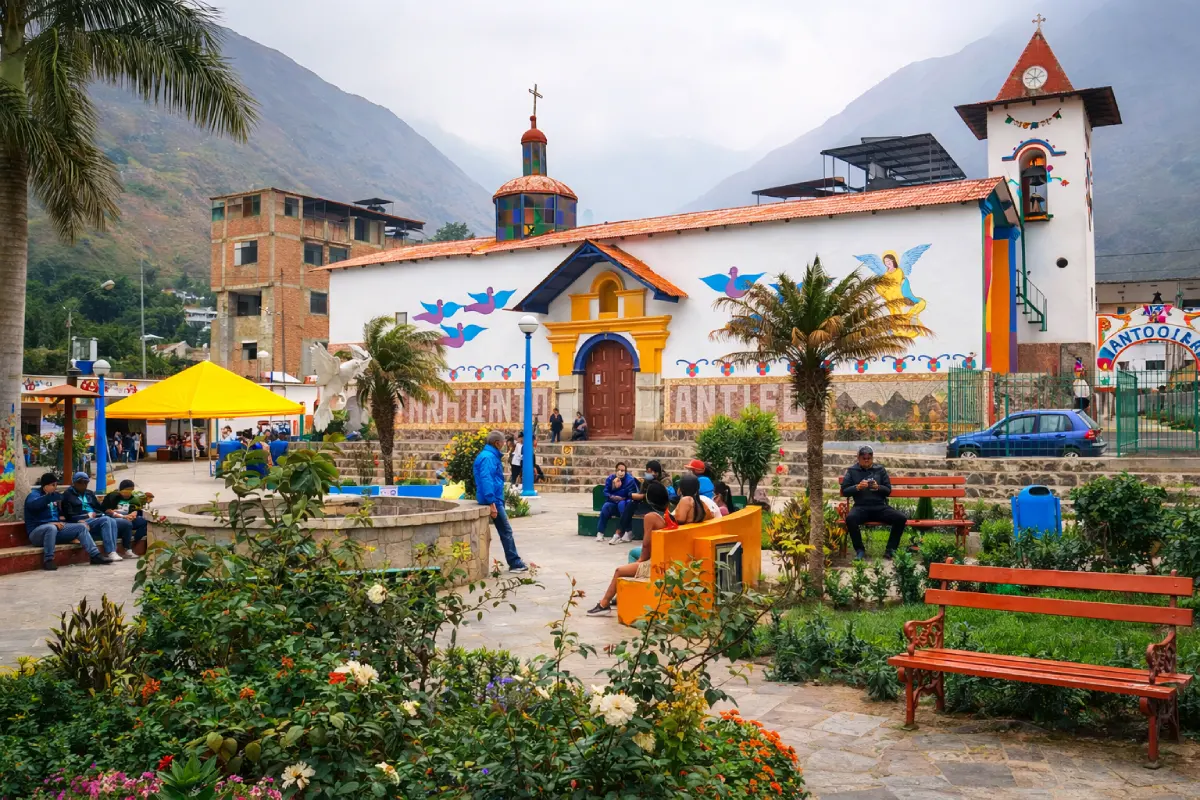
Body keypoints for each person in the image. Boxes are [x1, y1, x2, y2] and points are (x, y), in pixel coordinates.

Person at [589, 477, 708, 615]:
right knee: (633, 555)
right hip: (678, 556)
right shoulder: (694, 507)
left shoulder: (652, 517)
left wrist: (640, 563)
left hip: (661, 563)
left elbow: (646, 547)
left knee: (619, 571)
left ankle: (604, 605)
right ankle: (621, 595)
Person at [25, 472, 109, 570]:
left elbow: (60, 515)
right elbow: (34, 506)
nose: (55, 488)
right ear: (45, 486)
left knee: (81, 527)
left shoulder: (53, 497)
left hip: (55, 529)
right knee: (51, 527)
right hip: (37, 533)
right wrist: (48, 500)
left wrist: (77, 521)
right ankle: (48, 560)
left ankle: (95, 556)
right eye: (53, 485)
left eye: (56, 485)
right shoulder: (34, 495)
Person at [473, 430, 528, 573]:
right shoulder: (488, 458)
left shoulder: (489, 456)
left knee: (505, 531)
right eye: (503, 442)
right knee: (506, 531)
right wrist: (492, 503)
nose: (504, 444)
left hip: (495, 498)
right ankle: (515, 562)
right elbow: (487, 479)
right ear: (497, 443)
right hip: (493, 500)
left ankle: (514, 561)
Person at [840, 445, 908, 561]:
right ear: (858, 458)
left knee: (901, 518)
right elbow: (845, 491)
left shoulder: (880, 470)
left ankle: (890, 550)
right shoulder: (852, 471)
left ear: (872, 458)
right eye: (864, 458)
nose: (866, 460)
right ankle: (860, 550)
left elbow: (888, 490)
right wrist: (857, 487)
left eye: (869, 458)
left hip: (880, 507)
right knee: (850, 518)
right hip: (861, 507)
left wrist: (878, 487)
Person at [61, 472, 122, 561]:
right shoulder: (67, 495)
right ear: (74, 483)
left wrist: (109, 509)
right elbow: (68, 515)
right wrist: (84, 516)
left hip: (94, 517)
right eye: (81, 482)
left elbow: (99, 507)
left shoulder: (89, 493)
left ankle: (113, 550)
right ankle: (110, 551)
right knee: (105, 520)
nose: (84, 485)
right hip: (81, 519)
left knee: (111, 520)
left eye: (86, 482)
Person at [614, 460, 674, 545]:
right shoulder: (646, 481)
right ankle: (620, 532)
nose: (647, 474)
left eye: (650, 472)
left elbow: (663, 496)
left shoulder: (665, 481)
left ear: (656, 472)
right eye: (647, 471)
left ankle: (645, 541)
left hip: (659, 507)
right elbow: (641, 494)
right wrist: (636, 496)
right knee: (631, 504)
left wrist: (644, 496)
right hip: (647, 504)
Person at [101, 479, 153, 557]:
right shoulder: (112, 496)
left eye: (131, 490)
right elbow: (106, 510)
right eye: (127, 490)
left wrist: (134, 513)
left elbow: (136, 509)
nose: (129, 493)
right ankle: (127, 548)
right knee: (127, 523)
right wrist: (121, 515)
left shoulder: (133, 498)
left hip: (130, 518)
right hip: (116, 518)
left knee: (145, 521)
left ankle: (136, 540)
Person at [596, 462, 638, 544]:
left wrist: (621, 497)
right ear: (615, 471)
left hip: (625, 502)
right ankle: (600, 533)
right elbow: (606, 492)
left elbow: (630, 494)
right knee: (606, 507)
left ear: (625, 471)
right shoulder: (611, 478)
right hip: (613, 502)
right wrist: (613, 488)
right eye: (618, 470)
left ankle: (628, 532)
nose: (620, 472)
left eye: (622, 470)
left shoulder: (630, 480)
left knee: (622, 505)